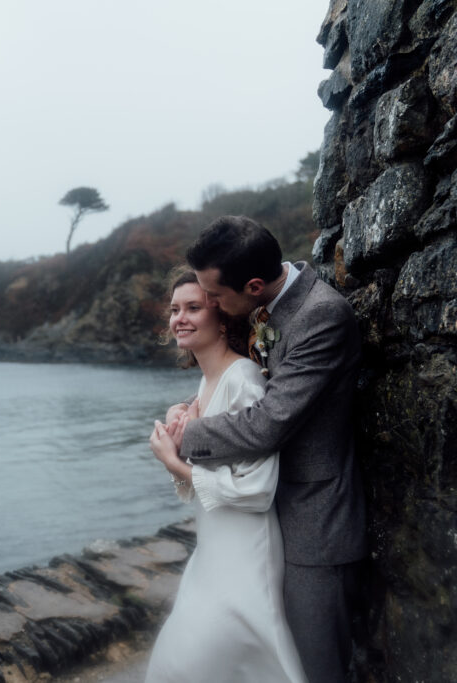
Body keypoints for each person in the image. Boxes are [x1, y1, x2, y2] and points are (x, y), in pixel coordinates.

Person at [177, 215, 365, 683]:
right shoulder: (268, 307)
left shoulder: (321, 314)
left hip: (314, 526)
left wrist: (187, 438)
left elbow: (268, 423)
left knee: (316, 667)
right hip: (268, 522)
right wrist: (199, 404)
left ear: (255, 285)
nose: (213, 306)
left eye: (215, 297)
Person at [144, 268, 306, 683]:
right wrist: (179, 447)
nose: (179, 317)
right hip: (212, 549)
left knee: (197, 662)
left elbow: (257, 488)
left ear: (222, 317)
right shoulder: (202, 385)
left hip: (245, 549)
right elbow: (197, 485)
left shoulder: (244, 380)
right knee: (178, 665)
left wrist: (173, 461)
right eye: (175, 309)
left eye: (193, 307)